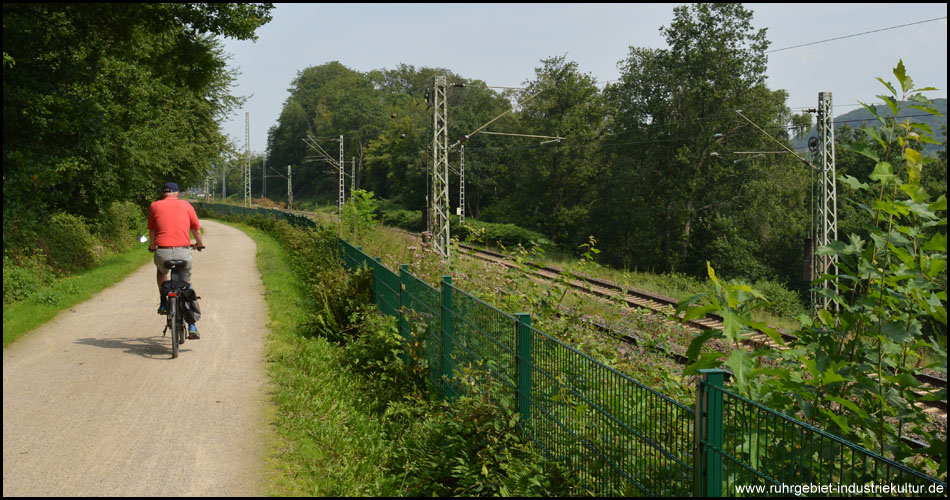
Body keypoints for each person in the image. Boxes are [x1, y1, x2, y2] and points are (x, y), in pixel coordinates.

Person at [148, 182, 205, 339]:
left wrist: (153, 247)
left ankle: (164, 301)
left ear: (163, 194)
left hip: (163, 253)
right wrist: (199, 244)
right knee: (186, 286)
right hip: (183, 253)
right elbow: (196, 230)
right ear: (177, 194)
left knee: (161, 272)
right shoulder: (186, 206)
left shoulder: (154, 206)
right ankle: (192, 325)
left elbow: (152, 231)